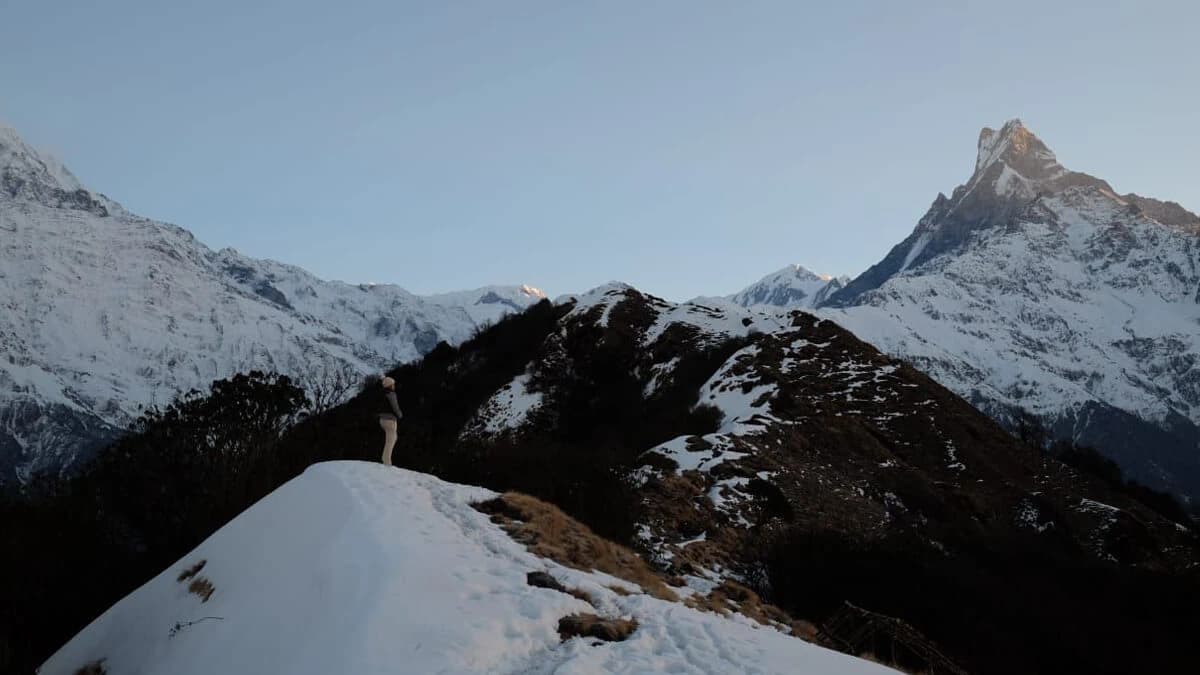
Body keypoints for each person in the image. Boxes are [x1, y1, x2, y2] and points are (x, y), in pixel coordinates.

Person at [378, 376, 403, 466]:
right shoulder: (391, 394)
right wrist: (400, 415)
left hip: (382, 420)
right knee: (390, 441)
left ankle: (385, 457)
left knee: (393, 438)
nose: (394, 385)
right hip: (390, 421)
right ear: (390, 385)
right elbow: (395, 407)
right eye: (393, 384)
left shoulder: (382, 394)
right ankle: (386, 461)